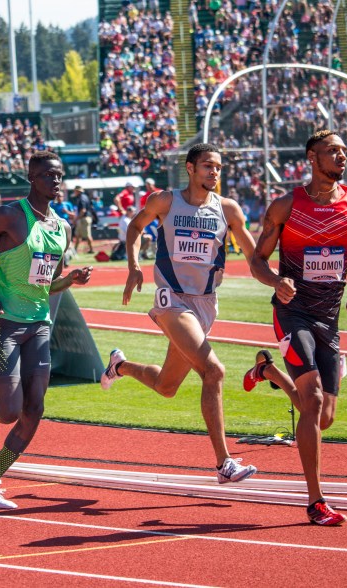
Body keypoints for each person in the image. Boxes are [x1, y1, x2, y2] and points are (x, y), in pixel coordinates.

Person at [101, 143, 259, 487]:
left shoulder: (228, 210)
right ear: (190, 168)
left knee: (166, 386)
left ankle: (119, 365)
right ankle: (224, 463)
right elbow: (133, 227)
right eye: (207, 166)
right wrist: (133, 266)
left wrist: (278, 280)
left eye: (217, 167)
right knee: (214, 371)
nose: (214, 172)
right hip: (170, 298)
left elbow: (253, 255)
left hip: (205, 303)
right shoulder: (165, 201)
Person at [244, 129, 347, 526]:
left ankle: (267, 372)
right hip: (292, 312)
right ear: (312, 159)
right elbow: (258, 260)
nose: (341, 157)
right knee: (312, 400)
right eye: (332, 151)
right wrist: (275, 281)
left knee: (323, 416)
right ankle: (316, 501)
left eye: (344, 152)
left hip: (328, 319)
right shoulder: (286, 207)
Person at [0, 151, 93, 509]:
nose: (56, 181)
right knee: (7, 413)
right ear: (32, 178)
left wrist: (71, 279)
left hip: (39, 325)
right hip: (5, 323)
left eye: (60, 175)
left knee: (34, 411)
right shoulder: (9, 216)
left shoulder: (62, 228)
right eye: (49, 175)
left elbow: (48, 285)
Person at [71, 186, 96, 254]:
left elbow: (83, 210)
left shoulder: (81, 198)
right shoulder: (85, 197)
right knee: (78, 235)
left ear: (78, 191)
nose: (74, 192)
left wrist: (76, 219)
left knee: (87, 235)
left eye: (75, 191)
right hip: (84, 218)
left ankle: (91, 249)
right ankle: (75, 250)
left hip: (84, 218)